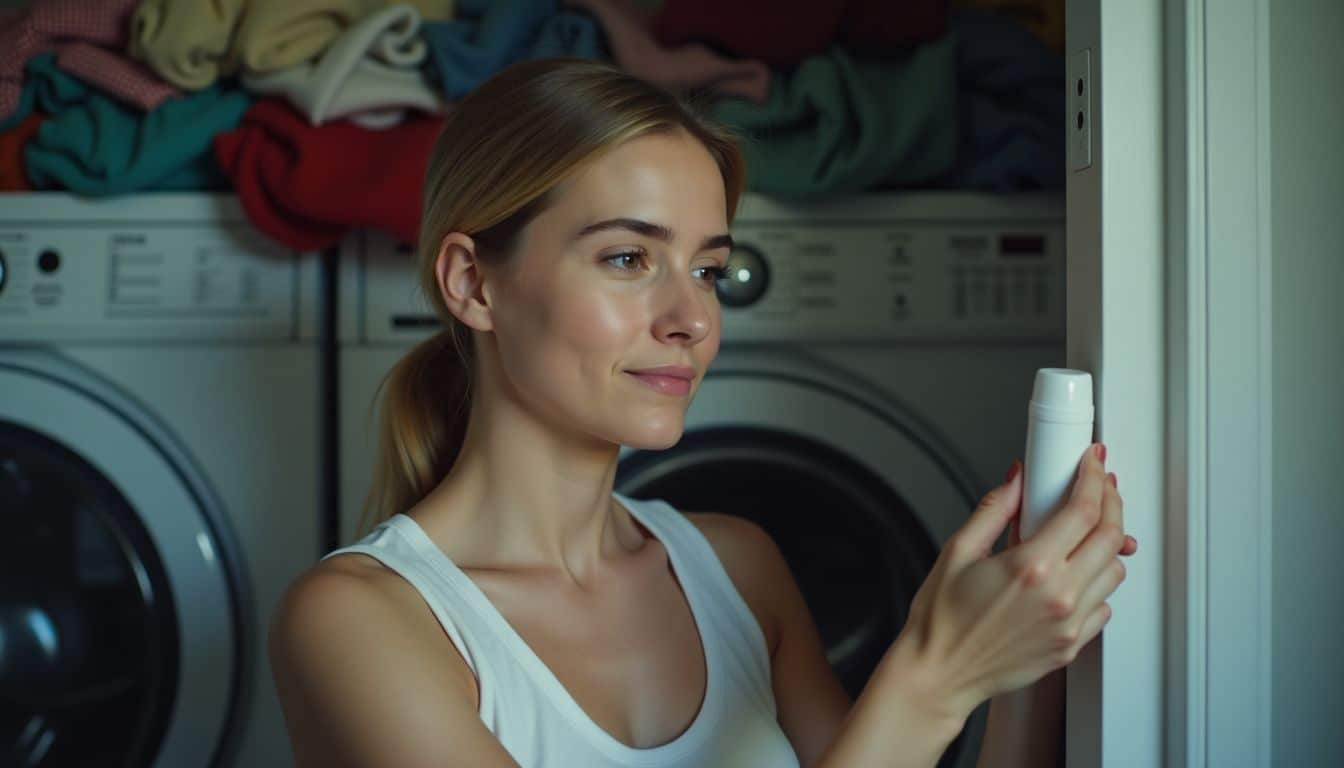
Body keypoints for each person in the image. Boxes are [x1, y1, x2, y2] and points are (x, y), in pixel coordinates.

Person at [268, 58, 1139, 768]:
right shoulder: (361, 622)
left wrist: (1029, 643)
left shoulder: (737, 568)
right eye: (626, 257)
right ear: (473, 283)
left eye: (708, 269)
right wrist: (936, 675)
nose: (691, 318)